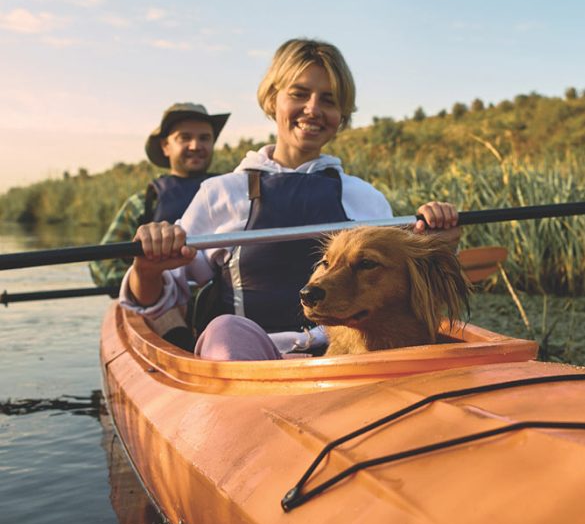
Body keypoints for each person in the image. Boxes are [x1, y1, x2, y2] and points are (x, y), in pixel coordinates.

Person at [118, 38, 459, 360]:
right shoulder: (221, 193)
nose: (313, 109)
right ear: (272, 100)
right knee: (224, 329)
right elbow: (159, 297)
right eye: (299, 94)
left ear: (341, 114)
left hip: (349, 356)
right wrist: (147, 268)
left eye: (328, 100)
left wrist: (438, 245)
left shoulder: (365, 198)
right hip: (251, 357)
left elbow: (407, 291)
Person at [89, 103, 229, 294]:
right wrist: (149, 278)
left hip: (223, 303)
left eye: (204, 138)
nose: (195, 146)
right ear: (166, 146)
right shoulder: (143, 203)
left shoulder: (231, 192)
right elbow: (101, 266)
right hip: (162, 306)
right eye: (185, 138)